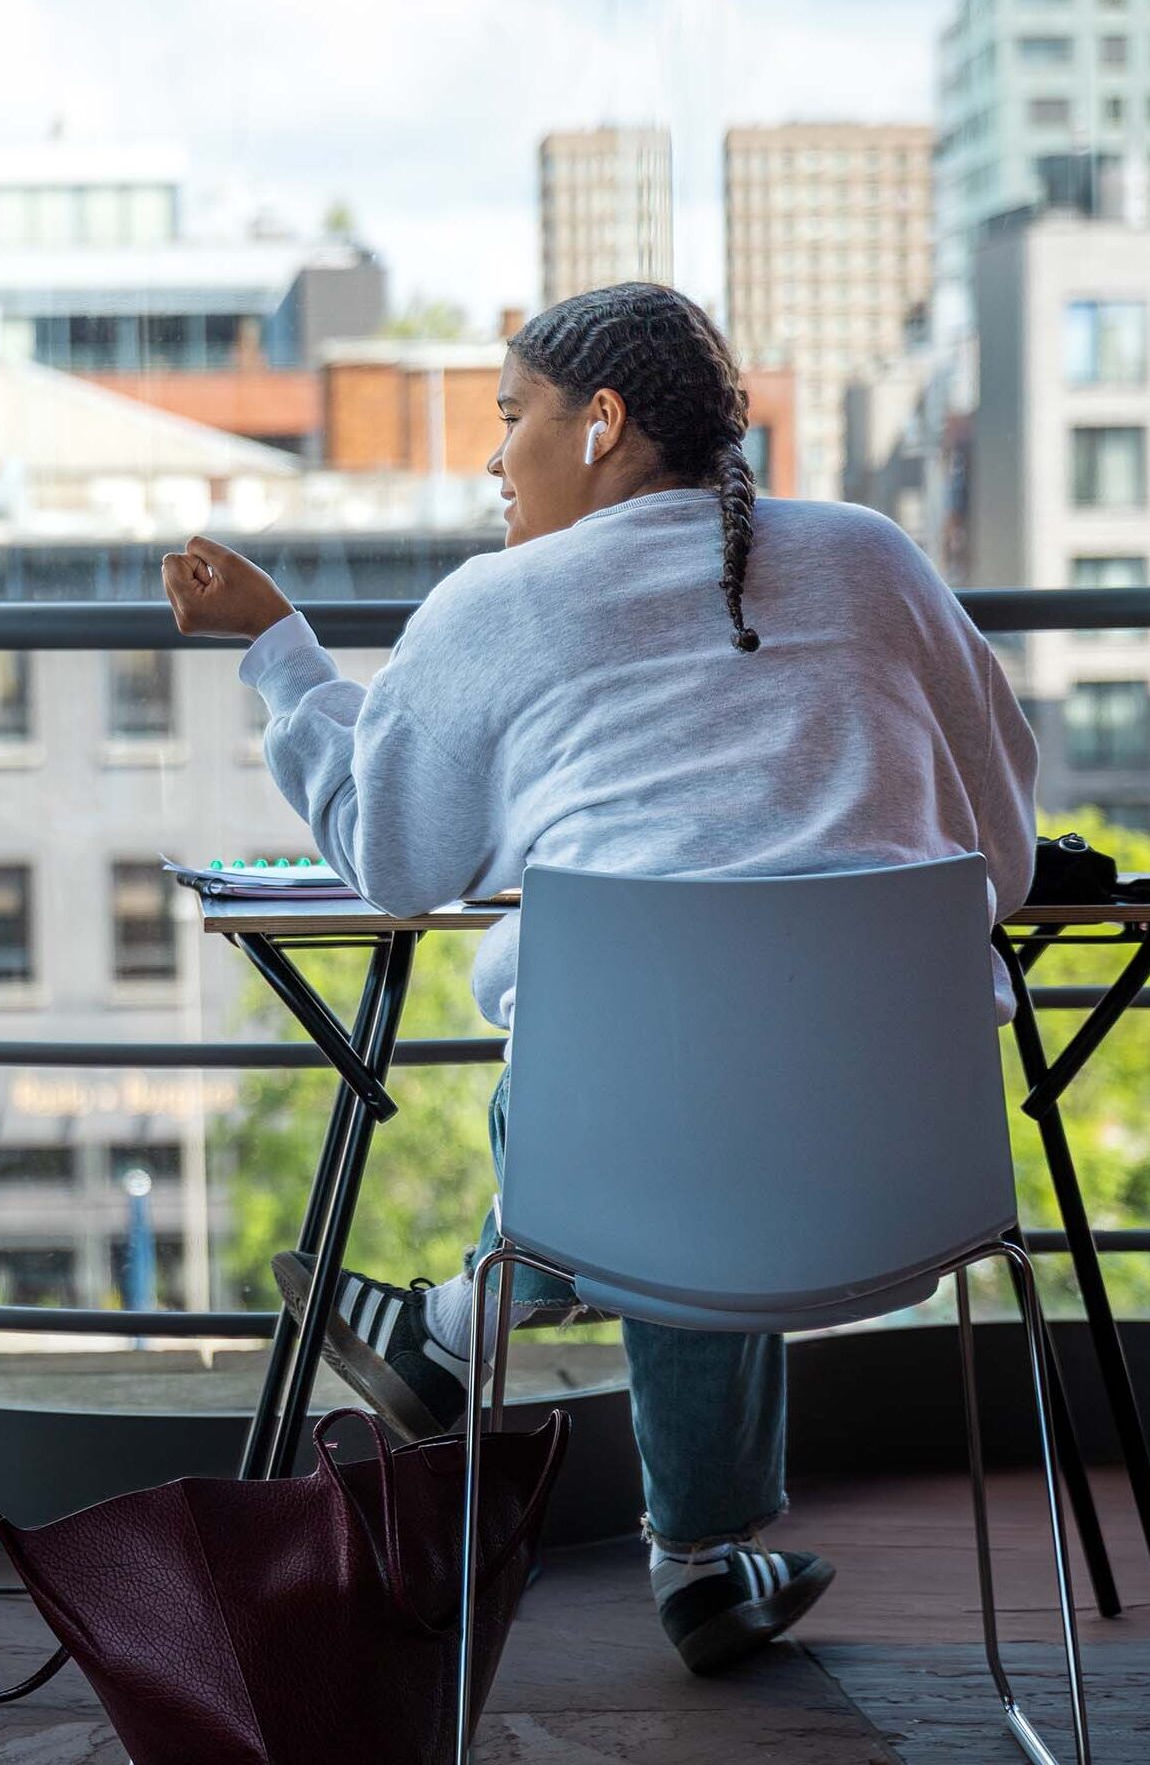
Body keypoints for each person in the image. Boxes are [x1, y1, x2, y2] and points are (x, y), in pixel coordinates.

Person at [161, 282, 1037, 1676]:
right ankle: (696, 1558)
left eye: (512, 417)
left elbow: (395, 857)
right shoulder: (877, 559)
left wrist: (282, 657)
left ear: (601, 423)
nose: (493, 457)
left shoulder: (496, 606)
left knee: (657, 1090)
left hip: (633, 1177)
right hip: (915, 1183)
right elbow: (1006, 857)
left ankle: (460, 1330)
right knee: (724, 1070)